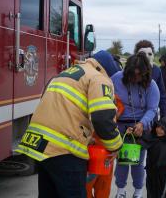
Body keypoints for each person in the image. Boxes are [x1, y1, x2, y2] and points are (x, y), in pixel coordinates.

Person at [16, 50, 123, 198]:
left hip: (39, 145)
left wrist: (86, 137)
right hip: (64, 150)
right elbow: (103, 119)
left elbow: (63, 110)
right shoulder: (99, 78)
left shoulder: (66, 73)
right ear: (107, 71)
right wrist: (116, 146)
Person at [112, 52, 160, 198]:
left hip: (140, 129)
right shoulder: (115, 79)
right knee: (122, 161)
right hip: (120, 128)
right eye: (133, 74)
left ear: (145, 73)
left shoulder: (151, 85)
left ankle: (138, 191)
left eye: (139, 75)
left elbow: (152, 109)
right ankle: (120, 190)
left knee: (137, 163)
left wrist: (142, 123)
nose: (135, 78)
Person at [86, 58, 124, 198]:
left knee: (94, 186)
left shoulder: (91, 87)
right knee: (97, 186)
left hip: (97, 149)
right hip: (102, 149)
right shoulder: (106, 92)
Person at [134, 40, 166, 118]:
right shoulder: (130, 70)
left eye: (149, 54)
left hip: (152, 115)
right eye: (143, 54)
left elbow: (162, 95)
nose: (146, 56)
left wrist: (165, 117)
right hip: (133, 117)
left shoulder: (156, 71)